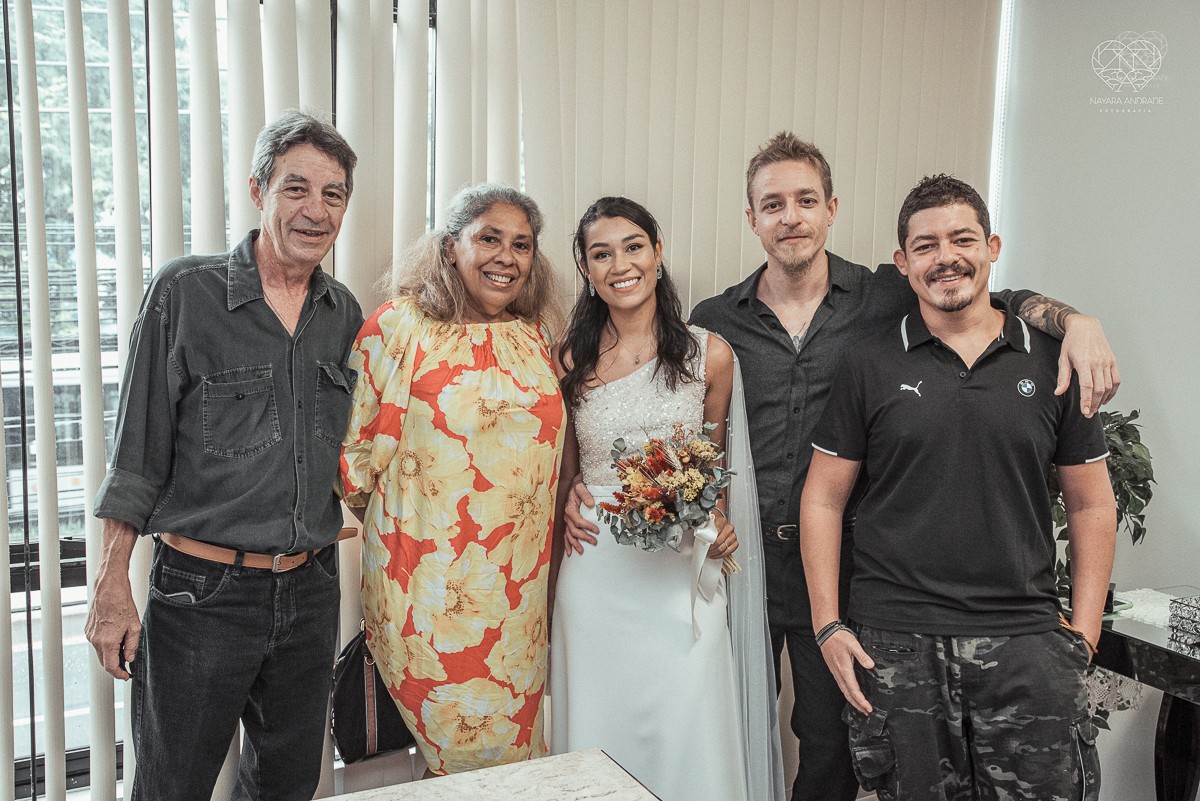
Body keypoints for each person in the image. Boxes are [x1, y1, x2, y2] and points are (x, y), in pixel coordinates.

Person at [565, 132, 1121, 801]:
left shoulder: (885, 295)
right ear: (752, 219)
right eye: (773, 204)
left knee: (829, 749)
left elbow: (977, 288)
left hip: (840, 570)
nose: (790, 216)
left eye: (805, 199)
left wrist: (1078, 321)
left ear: (831, 208)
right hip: (730, 566)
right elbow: (658, 418)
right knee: (721, 729)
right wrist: (581, 482)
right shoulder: (716, 322)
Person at [799, 174, 1116, 800]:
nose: (946, 257)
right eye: (925, 246)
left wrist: (1083, 634)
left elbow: (1091, 501)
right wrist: (829, 625)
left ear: (992, 247)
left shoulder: (1053, 359)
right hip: (897, 645)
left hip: (1027, 645)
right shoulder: (868, 362)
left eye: (962, 239)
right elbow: (822, 497)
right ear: (903, 263)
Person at [84, 110, 363, 800]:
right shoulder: (185, 293)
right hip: (201, 595)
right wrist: (111, 585)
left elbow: (361, 441)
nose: (315, 210)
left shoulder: (345, 314)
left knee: (285, 787)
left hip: (309, 592)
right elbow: (136, 456)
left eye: (333, 195)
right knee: (171, 786)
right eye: (296, 189)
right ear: (256, 191)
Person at [549, 196, 785, 801]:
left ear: (657, 254)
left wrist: (722, 522)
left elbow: (716, 469)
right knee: (602, 725)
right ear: (586, 268)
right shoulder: (568, 358)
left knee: (689, 722)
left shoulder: (710, 354)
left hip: (683, 566)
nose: (619, 264)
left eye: (633, 247)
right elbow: (563, 473)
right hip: (596, 566)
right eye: (601, 254)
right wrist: (572, 496)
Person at [338, 184, 564, 776]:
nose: (505, 257)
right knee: (460, 748)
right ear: (449, 247)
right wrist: (413, 540)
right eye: (488, 238)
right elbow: (354, 460)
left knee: (516, 761)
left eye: (521, 245)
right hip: (428, 587)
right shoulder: (398, 327)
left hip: (522, 592)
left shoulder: (535, 334)